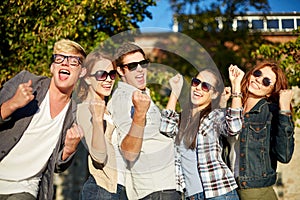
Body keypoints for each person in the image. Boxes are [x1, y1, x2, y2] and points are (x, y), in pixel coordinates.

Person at [0, 39, 86, 200]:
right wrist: (12, 104)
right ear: (52, 67)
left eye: (74, 61)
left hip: (25, 187)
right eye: (60, 58)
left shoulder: (77, 113)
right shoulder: (26, 81)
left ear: (82, 72)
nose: (65, 64)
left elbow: (58, 166)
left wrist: (69, 149)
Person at [107, 42, 180, 200]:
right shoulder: (124, 98)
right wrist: (139, 114)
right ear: (120, 70)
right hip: (156, 190)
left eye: (143, 63)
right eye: (132, 65)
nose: (140, 69)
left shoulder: (140, 94)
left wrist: (174, 93)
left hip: (166, 185)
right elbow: (129, 151)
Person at [160, 65, 244, 200]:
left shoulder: (215, 116)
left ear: (215, 94)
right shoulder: (182, 119)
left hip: (219, 193)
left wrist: (236, 86)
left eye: (206, 86)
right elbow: (166, 127)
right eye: (196, 82)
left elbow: (234, 127)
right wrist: (175, 92)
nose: (198, 88)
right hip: (192, 196)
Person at [227, 62, 295, 200]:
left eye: (266, 81)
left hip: (256, 191)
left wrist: (285, 111)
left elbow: (284, 155)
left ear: (270, 92)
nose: (258, 79)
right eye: (257, 73)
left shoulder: (271, 113)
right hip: (229, 188)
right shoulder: (233, 107)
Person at [76, 49, 128, 200]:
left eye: (112, 74)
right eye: (101, 74)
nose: (108, 79)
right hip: (102, 190)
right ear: (87, 78)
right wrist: (98, 119)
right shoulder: (84, 109)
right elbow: (98, 156)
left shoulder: (110, 110)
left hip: (121, 190)